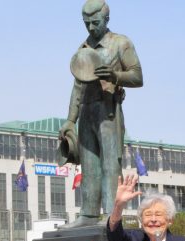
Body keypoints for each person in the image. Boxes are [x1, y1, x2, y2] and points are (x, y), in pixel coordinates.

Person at [58, 0, 143, 229]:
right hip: (87, 109)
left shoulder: (120, 43)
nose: (91, 28)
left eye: (95, 23)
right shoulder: (83, 49)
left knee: (110, 163)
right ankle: (88, 214)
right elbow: (77, 88)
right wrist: (70, 120)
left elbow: (137, 76)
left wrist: (115, 75)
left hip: (108, 111)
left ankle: (110, 214)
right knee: (89, 164)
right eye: (86, 24)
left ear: (106, 19)